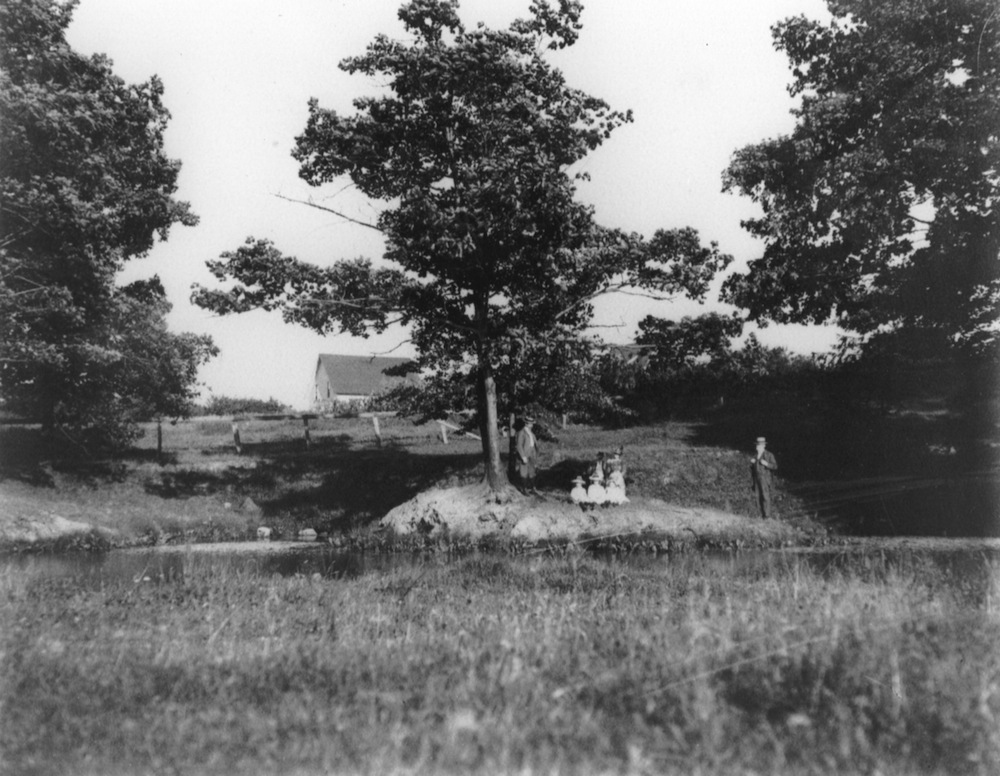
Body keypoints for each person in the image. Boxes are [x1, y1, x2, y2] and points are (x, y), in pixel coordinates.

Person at [749, 436, 777, 518]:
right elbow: (753, 469)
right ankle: (760, 514)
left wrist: (766, 464)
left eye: (759, 445)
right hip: (756, 479)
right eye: (757, 445)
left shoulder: (769, 455)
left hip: (765, 479)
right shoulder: (755, 456)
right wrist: (752, 463)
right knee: (757, 496)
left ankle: (767, 515)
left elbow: (775, 466)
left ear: (763, 446)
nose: (757, 447)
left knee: (765, 496)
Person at [515, 415, 539, 494]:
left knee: (532, 471)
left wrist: (535, 454)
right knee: (524, 472)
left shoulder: (531, 433)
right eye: (530, 423)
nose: (532, 425)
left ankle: (533, 488)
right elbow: (519, 445)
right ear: (526, 424)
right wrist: (523, 456)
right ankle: (524, 489)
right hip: (525, 454)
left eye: (532, 423)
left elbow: (534, 444)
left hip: (532, 453)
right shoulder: (522, 432)